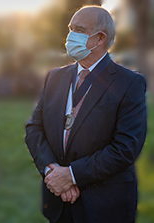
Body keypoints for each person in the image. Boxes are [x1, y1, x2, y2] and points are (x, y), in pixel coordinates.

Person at [25, 6, 146, 223]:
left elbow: (125, 148)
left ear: (100, 38)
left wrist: (71, 175)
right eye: (70, 29)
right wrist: (53, 171)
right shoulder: (54, 78)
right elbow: (34, 128)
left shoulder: (129, 83)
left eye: (79, 29)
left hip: (104, 206)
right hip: (58, 203)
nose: (70, 36)